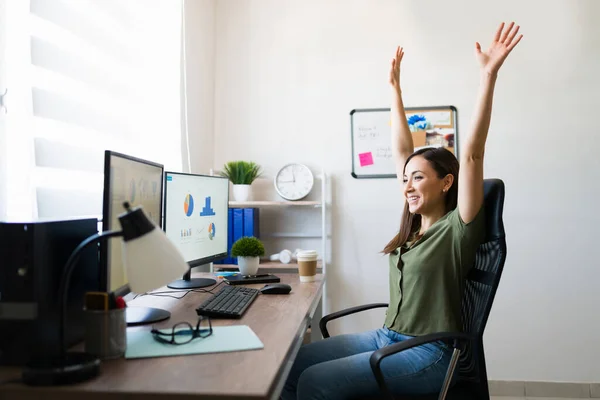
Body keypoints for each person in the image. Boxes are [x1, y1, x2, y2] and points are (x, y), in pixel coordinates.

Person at [281, 22, 523, 400]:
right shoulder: (412, 231)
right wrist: (394, 90)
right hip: (388, 337)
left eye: (418, 178)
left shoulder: (458, 227)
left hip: (430, 353)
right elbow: (401, 151)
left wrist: (487, 75)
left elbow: (474, 152)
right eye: (405, 179)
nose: (407, 185)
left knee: (316, 382)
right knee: (295, 362)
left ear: (446, 182)